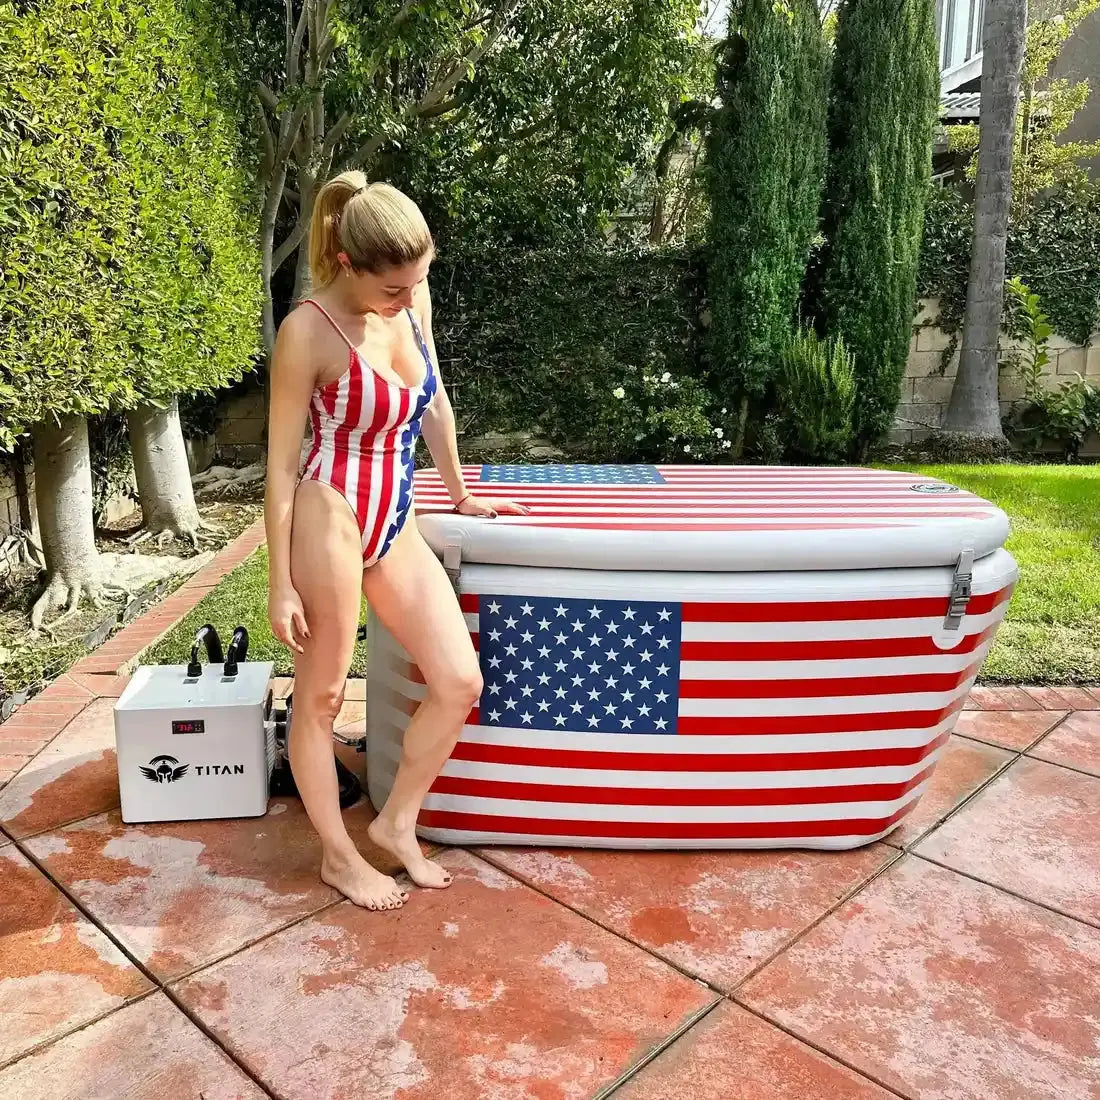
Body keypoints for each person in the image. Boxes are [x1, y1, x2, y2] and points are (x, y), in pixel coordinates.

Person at [264, 172, 528, 911]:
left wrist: (461, 491)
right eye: (395, 289)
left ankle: (396, 821)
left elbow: (433, 397)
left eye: (419, 283)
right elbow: (282, 462)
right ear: (350, 264)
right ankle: (338, 858)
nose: (408, 299)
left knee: (459, 681)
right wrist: (280, 579)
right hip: (331, 512)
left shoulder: (414, 300)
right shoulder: (308, 331)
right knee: (318, 699)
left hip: (396, 513)